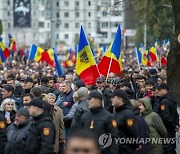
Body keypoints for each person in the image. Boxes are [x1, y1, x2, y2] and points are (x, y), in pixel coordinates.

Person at [111, 89, 139, 153]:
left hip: (126, 149)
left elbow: (133, 132)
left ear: (120, 99)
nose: (111, 99)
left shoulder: (127, 113)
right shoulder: (116, 112)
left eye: (113, 97)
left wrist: (135, 145)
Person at [156, 83, 179, 154]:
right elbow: (175, 114)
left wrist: (172, 126)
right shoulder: (171, 99)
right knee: (172, 146)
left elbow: (166, 117)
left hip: (167, 128)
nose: (157, 91)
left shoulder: (164, 102)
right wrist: (176, 124)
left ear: (165, 90)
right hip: (171, 128)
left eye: (159, 90)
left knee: (167, 148)